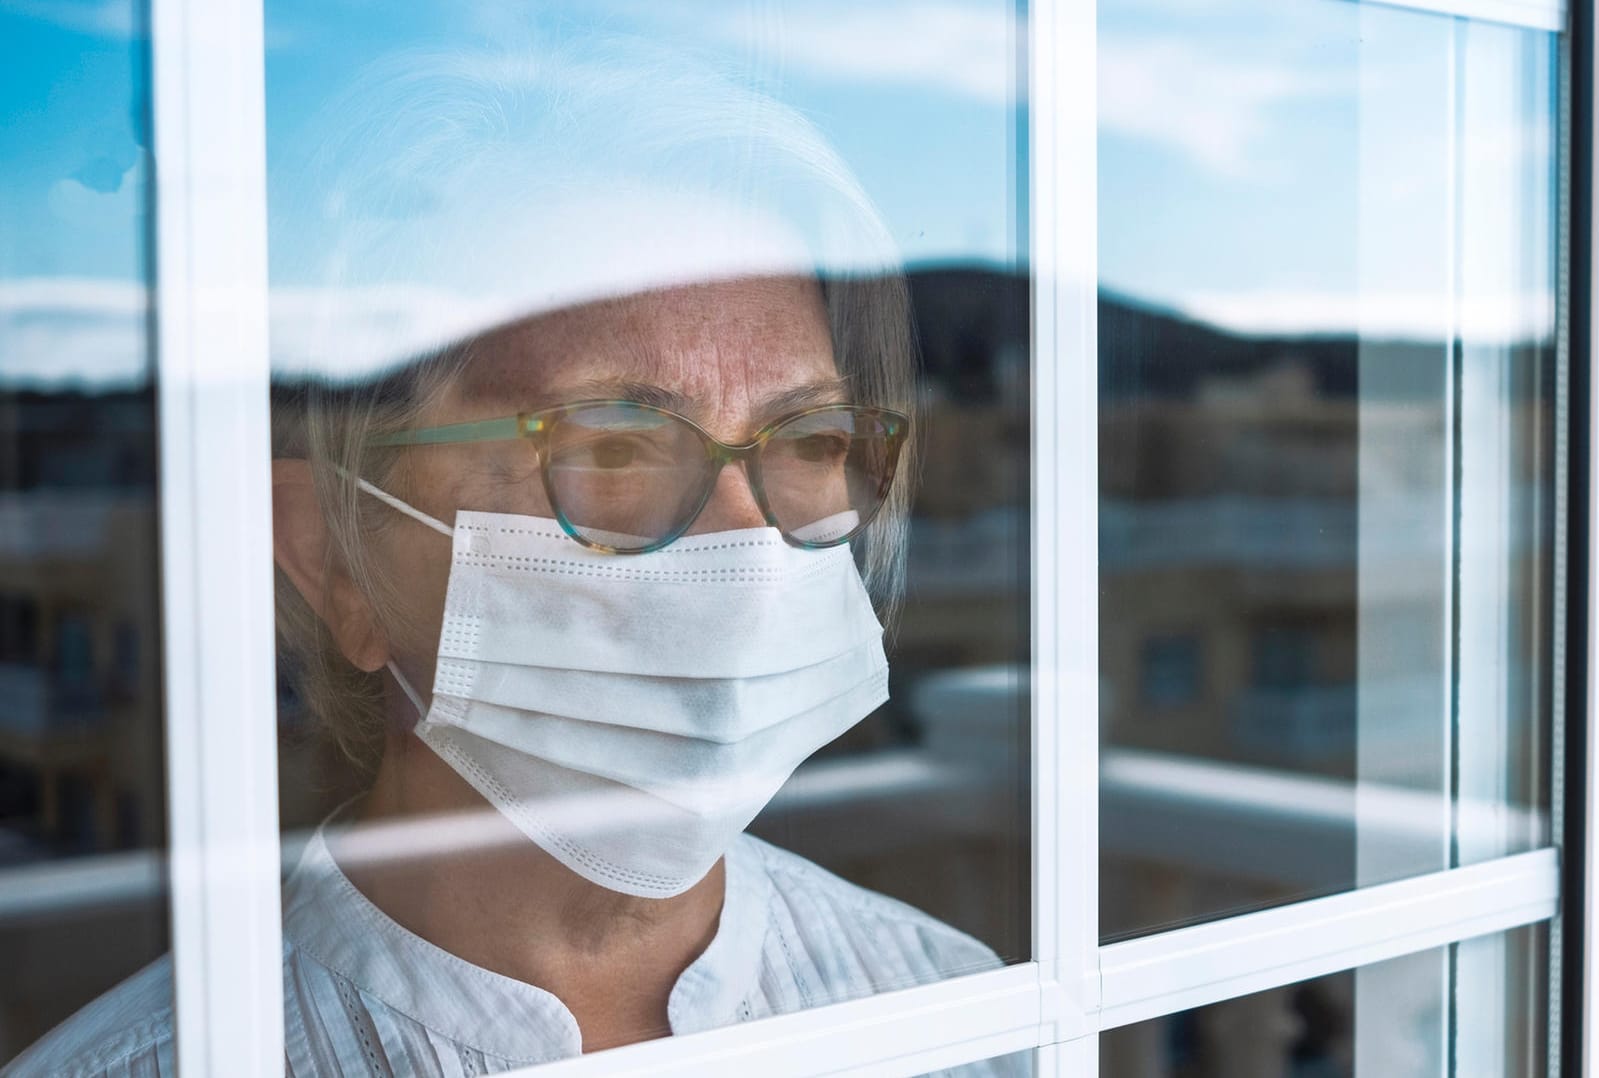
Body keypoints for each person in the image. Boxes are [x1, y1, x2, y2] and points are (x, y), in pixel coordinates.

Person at [9, 38, 1009, 1077]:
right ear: (332, 555)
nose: (747, 546)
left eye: (811, 441)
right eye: (613, 445)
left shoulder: (956, 1015)